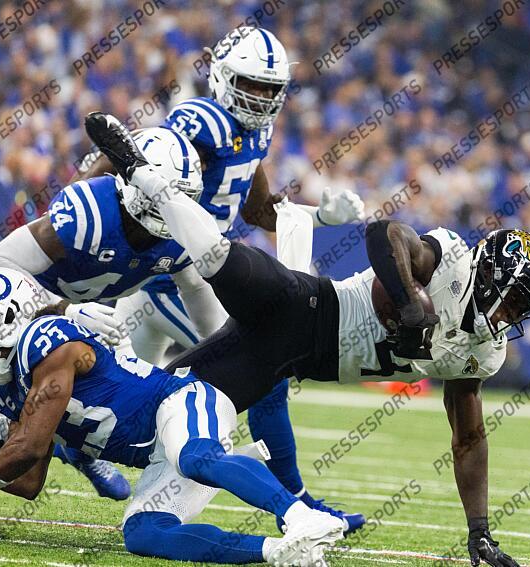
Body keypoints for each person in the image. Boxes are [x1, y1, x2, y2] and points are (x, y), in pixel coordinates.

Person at [87, 111, 530, 567]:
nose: (512, 317)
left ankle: (75, 441)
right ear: (492, 274)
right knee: (216, 259)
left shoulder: (482, 352)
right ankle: (144, 174)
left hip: (275, 360)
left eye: (523, 311)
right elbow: (384, 234)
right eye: (515, 301)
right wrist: (411, 305)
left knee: (165, 407)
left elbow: (469, 439)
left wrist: (479, 530)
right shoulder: (450, 261)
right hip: (302, 306)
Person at [77, 26, 366, 534]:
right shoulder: (202, 119)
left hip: (205, 272)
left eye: (270, 90)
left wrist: (319, 217)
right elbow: (144, 154)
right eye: (251, 85)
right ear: (223, 77)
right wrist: (97, 172)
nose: (260, 99)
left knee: (104, 383)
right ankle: (297, 504)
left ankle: (65, 443)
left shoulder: (257, 132)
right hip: (175, 271)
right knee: (268, 370)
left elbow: (256, 209)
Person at [0, 267, 343, 565]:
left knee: (194, 456)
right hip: (158, 454)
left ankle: (301, 517)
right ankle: (283, 552)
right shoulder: (5, 386)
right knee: (144, 533)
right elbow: (29, 480)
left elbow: (29, 447)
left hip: (178, 402)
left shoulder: (43, 339)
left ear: (6, 318)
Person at [0, 127, 226, 517]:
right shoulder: (89, 211)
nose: (168, 203)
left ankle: (73, 445)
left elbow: (197, 292)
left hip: (91, 325)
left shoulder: (182, 232)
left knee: (94, 396)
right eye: (160, 192)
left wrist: (225, 345)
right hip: (25, 315)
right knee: (0, 396)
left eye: (177, 195)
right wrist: (63, 309)